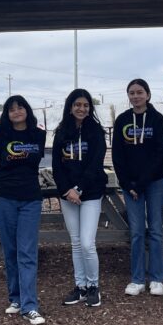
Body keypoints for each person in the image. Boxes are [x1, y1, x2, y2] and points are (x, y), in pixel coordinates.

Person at [0, 95, 47, 325]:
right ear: (7, 114)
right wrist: (9, 180)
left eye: (20, 107)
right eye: (12, 109)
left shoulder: (38, 135)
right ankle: (16, 298)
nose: (17, 112)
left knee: (27, 252)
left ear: (27, 110)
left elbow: (36, 163)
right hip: (4, 198)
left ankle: (30, 306)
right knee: (10, 249)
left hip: (31, 198)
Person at [112, 78, 163, 297]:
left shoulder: (157, 119)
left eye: (139, 92)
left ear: (147, 94)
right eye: (132, 93)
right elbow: (117, 154)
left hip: (154, 183)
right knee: (136, 232)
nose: (135, 96)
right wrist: (127, 183)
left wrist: (142, 182)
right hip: (131, 186)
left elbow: (160, 152)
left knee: (155, 230)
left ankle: (156, 279)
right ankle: (137, 279)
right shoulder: (122, 120)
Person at [52, 88, 107, 307]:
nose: (81, 109)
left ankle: (94, 286)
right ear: (70, 107)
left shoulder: (96, 132)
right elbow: (56, 165)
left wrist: (79, 188)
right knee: (75, 242)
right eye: (77, 105)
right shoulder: (61, 132)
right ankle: (81, 286)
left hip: (90, 193)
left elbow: (95, 164)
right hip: (68, 195)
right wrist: (67, 190)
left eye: (85, 105)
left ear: (90, 108)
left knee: (86, 242)